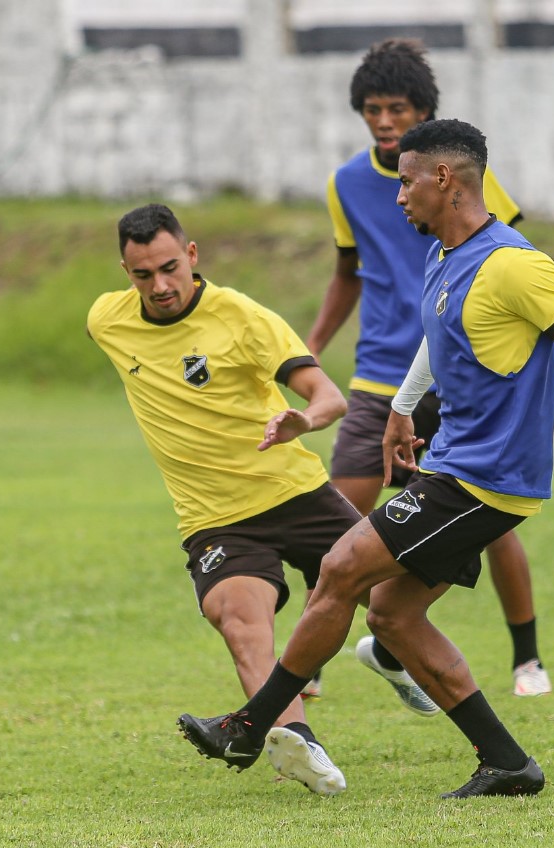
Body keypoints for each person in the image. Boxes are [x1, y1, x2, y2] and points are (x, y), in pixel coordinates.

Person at [179, 119, 554, 798]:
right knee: (389, 614)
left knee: (339, 565)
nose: (398, 197)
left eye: (406, 180)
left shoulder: (513, 263)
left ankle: (251, 720)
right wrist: (399, 407)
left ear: (444, 179)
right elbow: (436, 333)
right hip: (455, 464)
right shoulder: (445, 255)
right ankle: (507, 762)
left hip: (485, 479)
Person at [304, 38, 551, 701]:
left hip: (456, 376)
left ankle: (526, 657)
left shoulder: (452, 173)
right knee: (337, 520)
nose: (384, 121)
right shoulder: (345, 184)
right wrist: (310, 345)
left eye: (397, 109)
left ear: (422, 112)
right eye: (372, 110)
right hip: (377, 379)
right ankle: (323, 657)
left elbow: (505, 253)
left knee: (486, 515)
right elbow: (345, 271)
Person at [88, 203, 358, 797]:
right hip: (216, 519)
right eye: (141, 275)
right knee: (240, 621)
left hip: (296, 492)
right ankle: (301, 746)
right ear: (124, 273)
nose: (158, 286)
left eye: (168, 268)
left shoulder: (242, 317)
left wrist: (302, 420)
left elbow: (329, 397)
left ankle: (397, 659)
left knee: (396, 597)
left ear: (191, 255)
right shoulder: (107, 319)